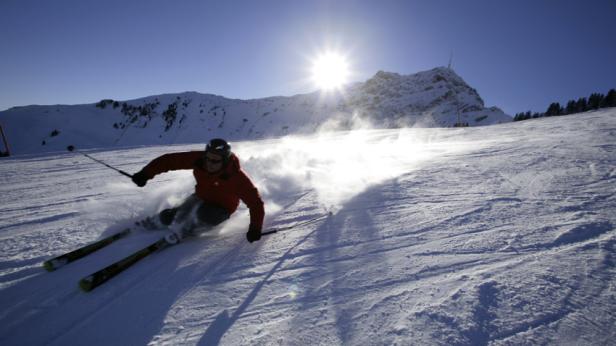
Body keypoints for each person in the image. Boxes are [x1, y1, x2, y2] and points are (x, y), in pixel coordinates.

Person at [131, 138, 264, 244]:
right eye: (208, 158)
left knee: (201, 215)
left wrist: (255, 229)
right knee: (173, 215)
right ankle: (155, 222)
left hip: (221, 209)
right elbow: (169, 160)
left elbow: (256, 204)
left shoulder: (237, 177)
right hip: (200, 197)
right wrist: (145, 174)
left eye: (215, 160)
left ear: (225, 161)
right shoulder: (199, 160)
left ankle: (186, 230)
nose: (210, 163)